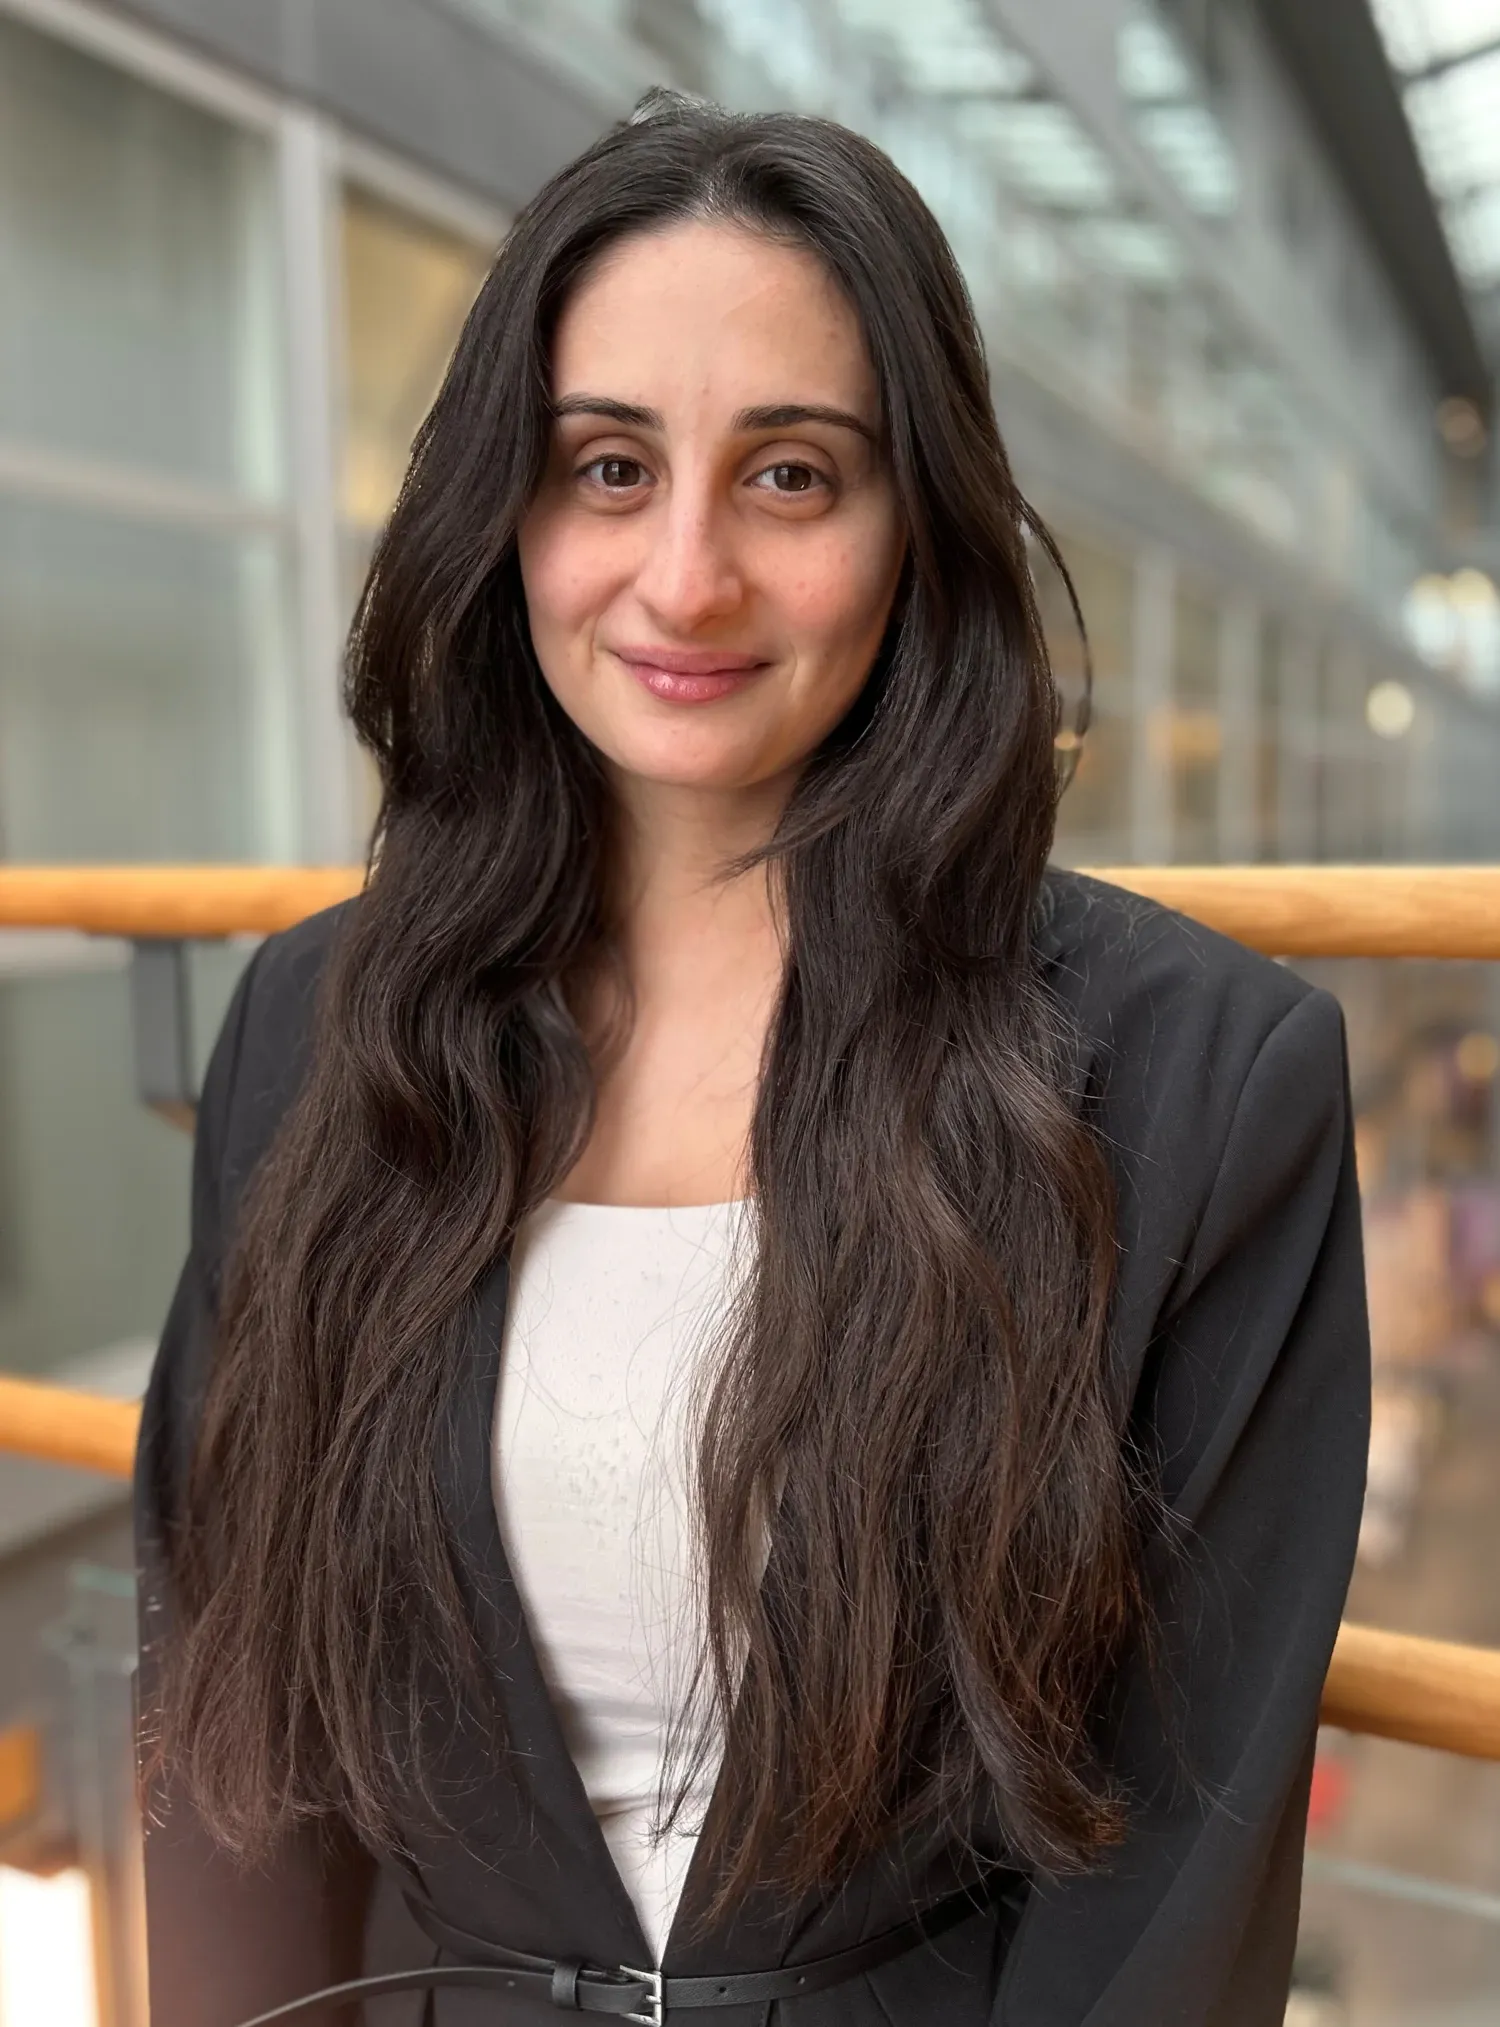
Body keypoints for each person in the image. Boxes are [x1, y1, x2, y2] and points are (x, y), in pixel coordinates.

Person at [135, 90, 1370, 2027]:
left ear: (915, 523)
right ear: (504, 509)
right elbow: (229, 1720)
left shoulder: (1199, 1076)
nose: (686, 577)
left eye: (792, 476)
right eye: (608, 466)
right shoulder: (321, 1023)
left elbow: (1179, 1857)